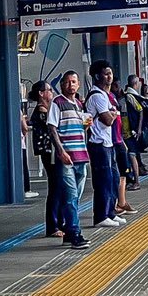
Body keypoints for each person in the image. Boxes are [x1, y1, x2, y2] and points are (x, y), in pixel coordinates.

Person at [48, 71, 90, 250]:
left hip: (81, 156)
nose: (70, 85)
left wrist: (86, 126)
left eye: (73, 82)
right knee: (71, 196)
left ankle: (67, 230)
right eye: (66, 82)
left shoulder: (79, 105)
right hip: (66, 158)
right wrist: (61, 151)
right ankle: (75, 234)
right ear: (62, 85)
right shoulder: (57, 103)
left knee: (74, 197)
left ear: (78, 84)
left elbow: (81, 129)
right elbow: (52, 128)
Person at [86, 62, 122, 230]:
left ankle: (110, 212)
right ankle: (100, 215)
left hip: (107, 143)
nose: (110, 77)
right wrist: (112, 114)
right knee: (103, 181)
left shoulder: (105, 95)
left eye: (110, 73)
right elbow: (107, 120)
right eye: (106, 74)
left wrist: (111, 114)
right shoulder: (97, 96)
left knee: (113, 178)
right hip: (98, 143)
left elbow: (110, 116)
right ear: (98, 76)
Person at [27, 83, 63, 238]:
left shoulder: (47, 110)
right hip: (49, 152)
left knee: (58, 186)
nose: (51, 92)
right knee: (55, 187)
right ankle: (53, 225)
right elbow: (53, 127)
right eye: (49, 90)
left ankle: (58, 223)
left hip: (51, 151)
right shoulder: (42, 112)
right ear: (41, 94)